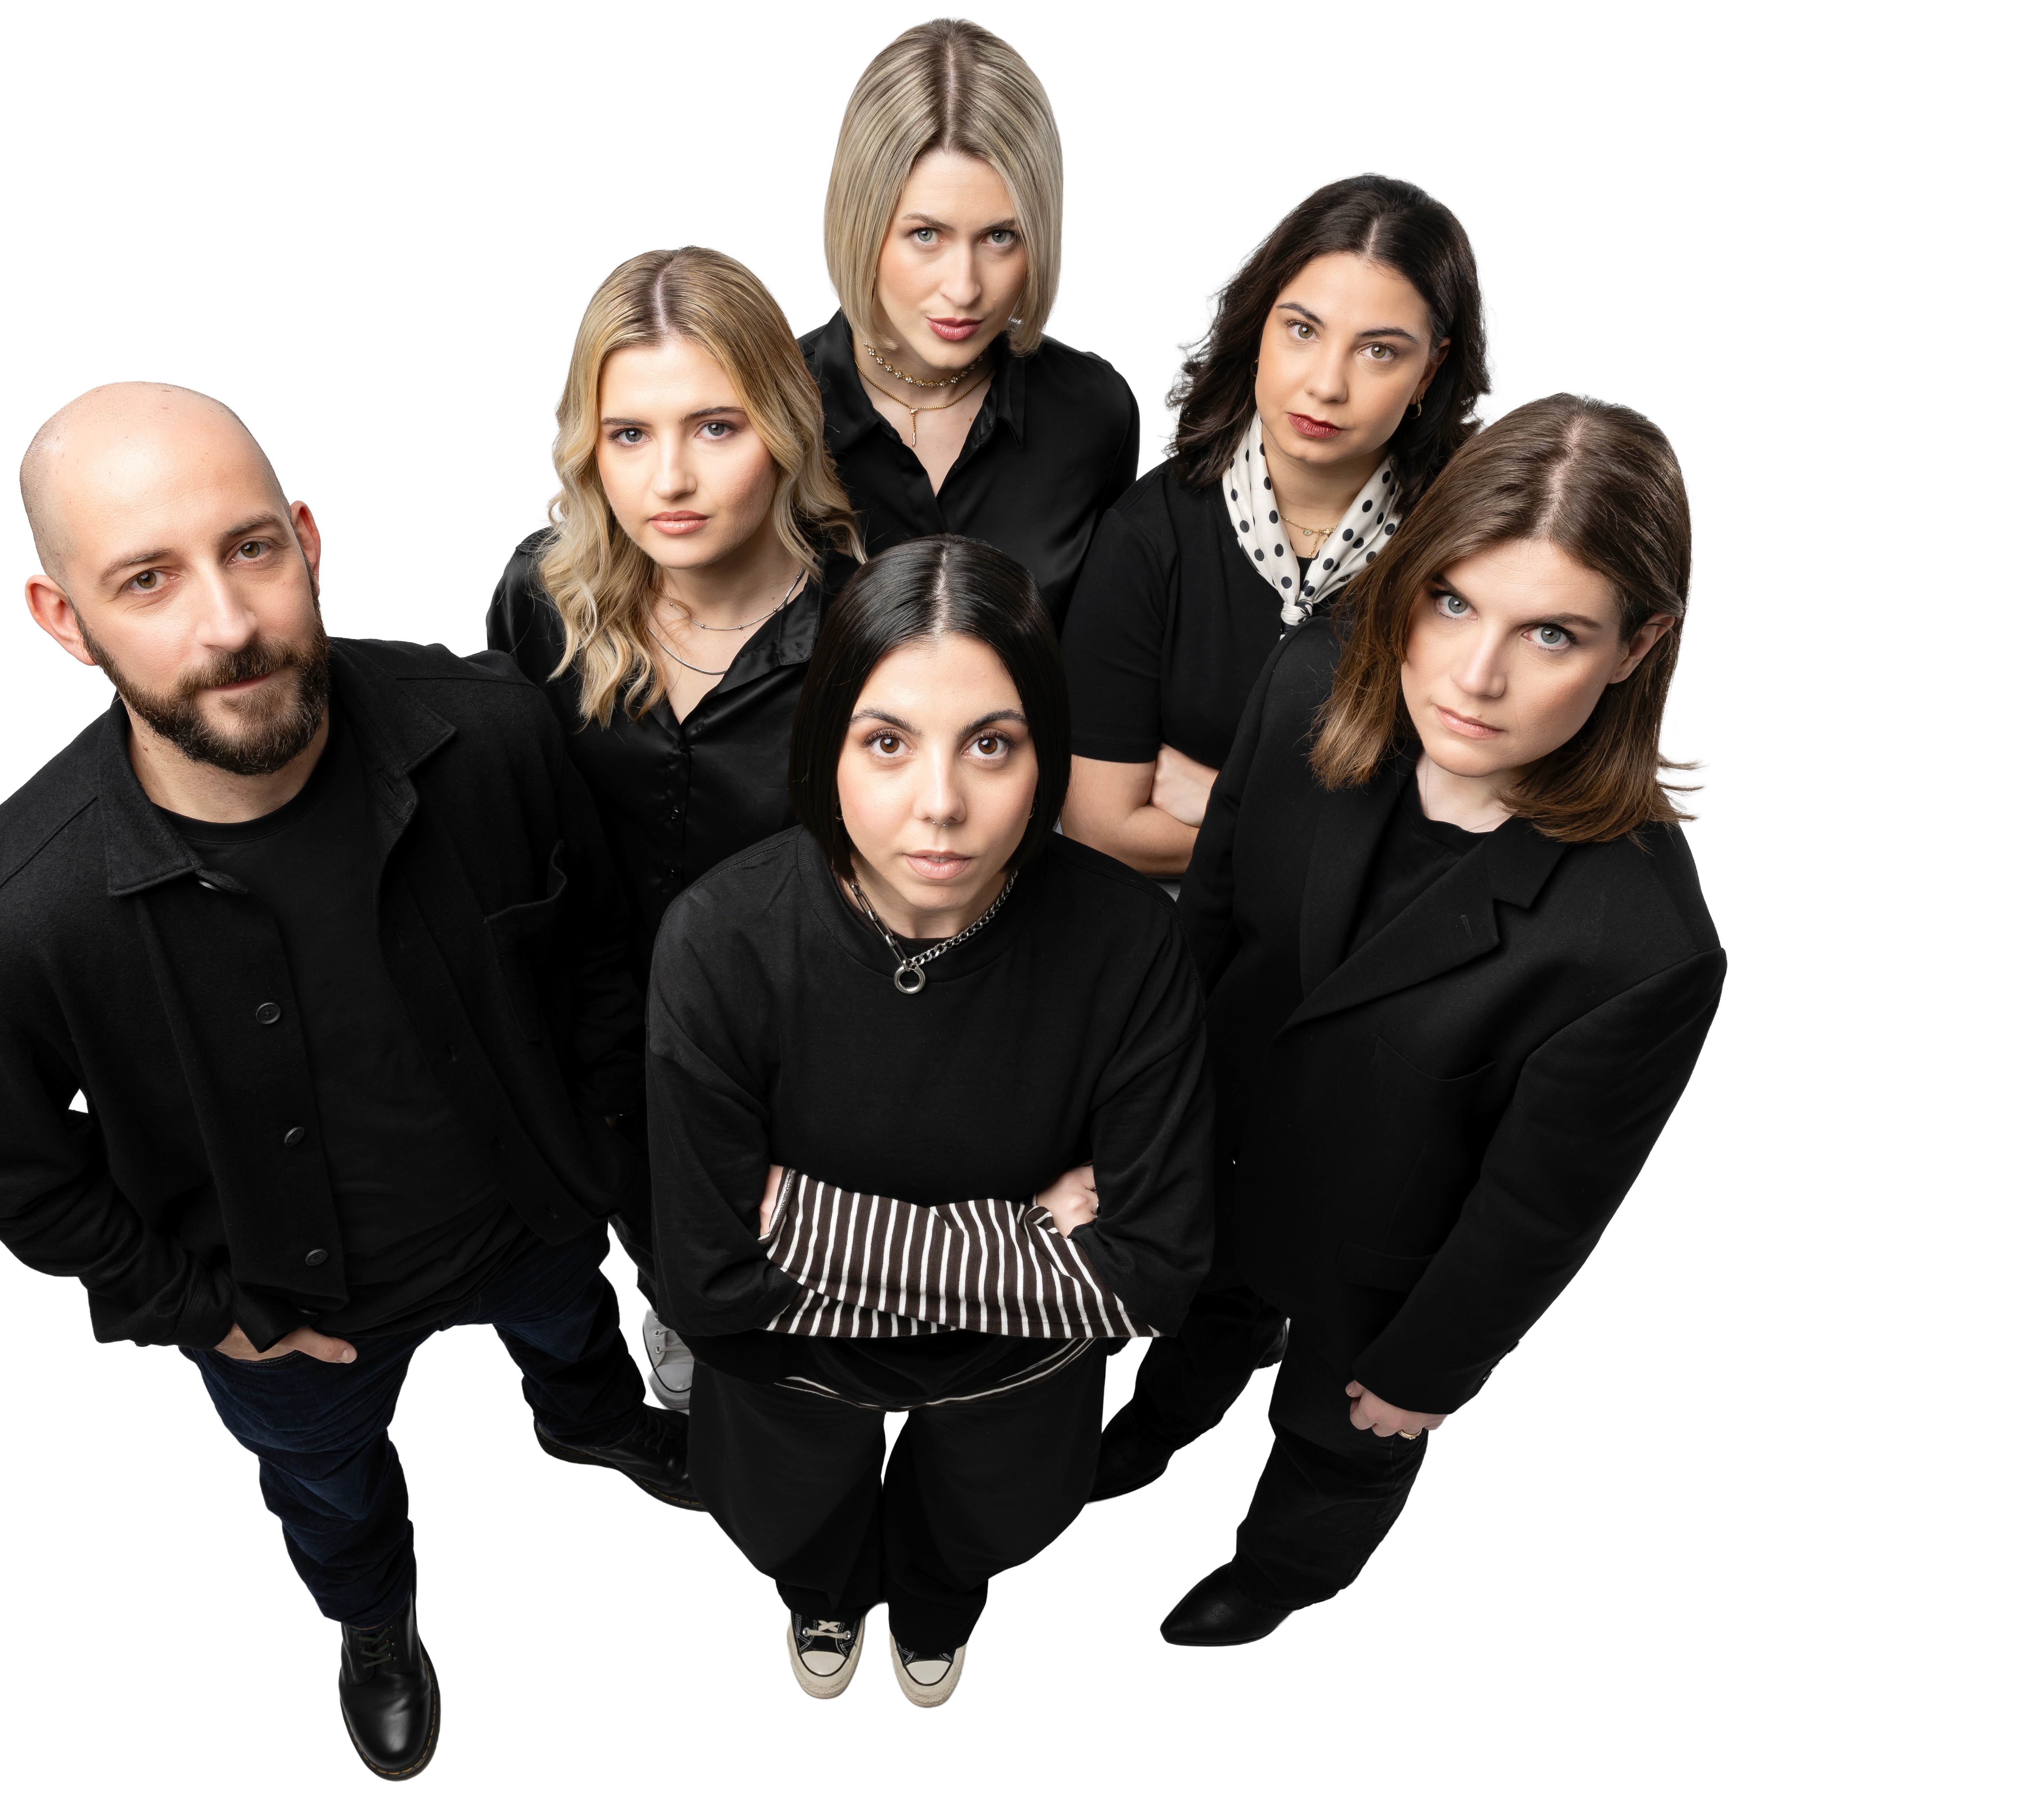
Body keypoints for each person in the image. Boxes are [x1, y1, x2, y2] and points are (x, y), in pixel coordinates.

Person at [0, 384, 697, 1782]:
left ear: (310, 540)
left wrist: (600, 1157)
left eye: (252, 547)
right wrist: (207, 1310)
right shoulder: (8, 920)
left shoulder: (495, 733)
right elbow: (17, 1173)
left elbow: (597, 965)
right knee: (330, 1488)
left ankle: (587, 1421)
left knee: (571, 1332)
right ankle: (374, 1616)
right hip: (290, 1313)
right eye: (146, 580)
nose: (226, 623)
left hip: (531, 1213)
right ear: (63, 620)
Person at [1093, 396, 1727, 1648]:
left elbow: (1536, 1210)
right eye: (1451, 602)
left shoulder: (1641, 947)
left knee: (1341, 1438)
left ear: (1636, 645)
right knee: (1203, 1323)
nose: (1475, 676)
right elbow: (1204, 930)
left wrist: (1430, 1370)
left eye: (1550, 632)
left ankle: (1281, 1570)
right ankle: (1163, 1422)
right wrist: (1129, 1132)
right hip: (1211, 1159)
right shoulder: (1309, 676)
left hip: (1378, 1264)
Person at [647, 536, 1214, 1705]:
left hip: (1013, 1382)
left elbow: (1154, 1274)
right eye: (887, 742)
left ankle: (937, 1609)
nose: (942, 804)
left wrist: (795, 1220)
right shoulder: (720, 938)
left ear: (1045, 752)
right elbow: (706, 1286)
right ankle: (826, 1596)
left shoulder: (1128, 941)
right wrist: (1029, 1240)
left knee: (968, 1537)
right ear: (827, 747)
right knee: (800, 1533)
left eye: (992, 744)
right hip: (792, 1373)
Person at [489, 247, 862, 1412]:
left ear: (784, 428)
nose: (672, 480)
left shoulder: (872, 622)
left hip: (807, 1056)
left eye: (716, 426)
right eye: (630, 435)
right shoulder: (540, 598)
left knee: (813, 1307)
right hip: (614, 1052)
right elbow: (513, 822)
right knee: (688, 1290)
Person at [1061, 174, 1489, 880]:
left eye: (1378, 350)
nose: (1326, 383)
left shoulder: (1468, 554)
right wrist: (1344, 842)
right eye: (1302, 329)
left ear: (1429, 371)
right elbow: (1100, 830)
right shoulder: (1148, 535)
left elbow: (1479, 837)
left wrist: (1229, 803)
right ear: (1258, 325)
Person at [800, 19, 1139, 626]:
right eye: (925, 235)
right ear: (861, 224)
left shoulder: (1093, 414)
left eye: (1001, 237)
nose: (965, 287)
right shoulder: (768, 408)